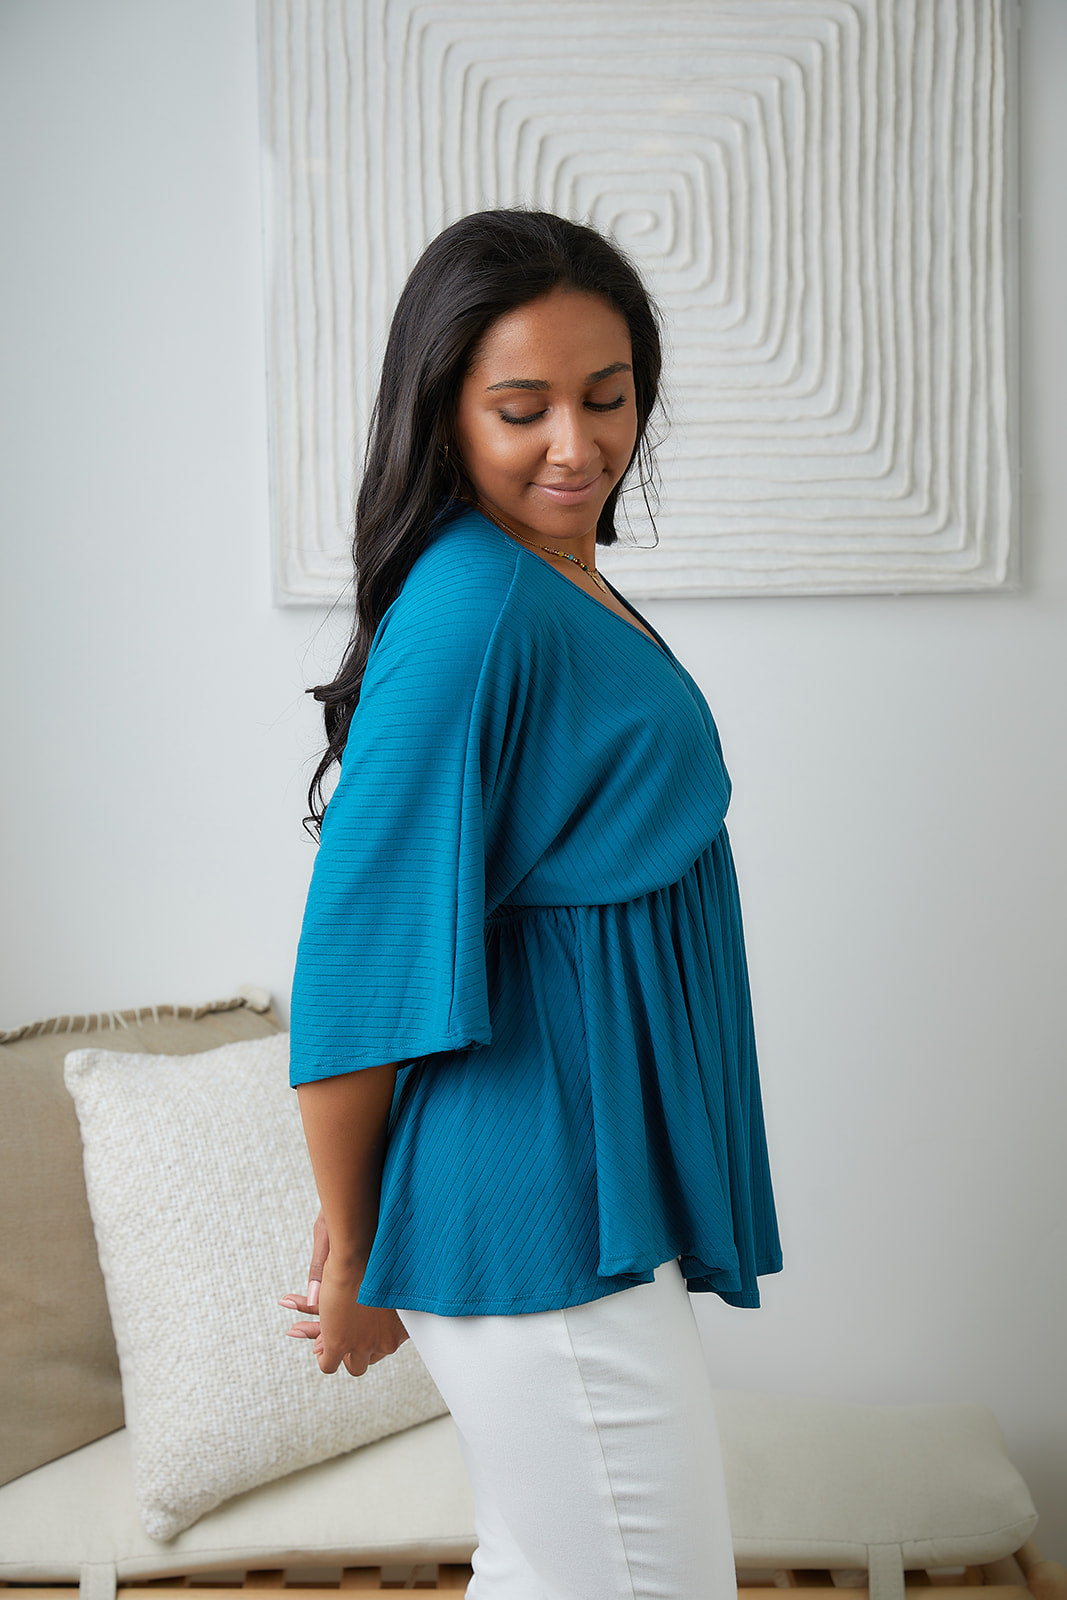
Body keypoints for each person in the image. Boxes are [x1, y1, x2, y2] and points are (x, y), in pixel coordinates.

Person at [278, 208, 782, 1600]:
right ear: (444, 412)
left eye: (608, 399)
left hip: (575, 1187)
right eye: (523, 409)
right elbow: (358, 957)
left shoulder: (547, 573)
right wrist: (356, 1247)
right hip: (537, 1207)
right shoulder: (477, 604)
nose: (577, 445)